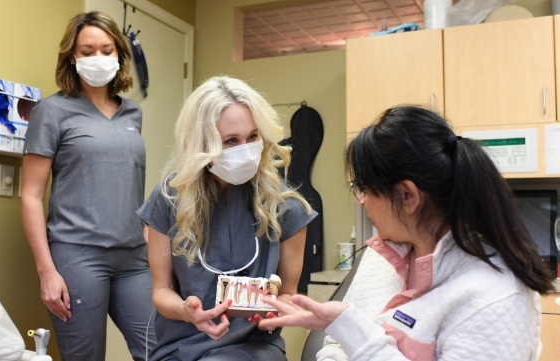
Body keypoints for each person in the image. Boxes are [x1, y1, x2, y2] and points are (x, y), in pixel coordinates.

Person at [260, 105, 556, 360]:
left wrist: (350, 326)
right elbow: (336, 346)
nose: (362, 202)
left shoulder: (495, 298)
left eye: (364, 189)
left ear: (408, 196)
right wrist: (342, 329)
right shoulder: (383, 256)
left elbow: (354, 334)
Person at [136, 76, 318, 361]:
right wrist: (187, 311)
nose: (245, 151)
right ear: (202, 144)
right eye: (231, 141)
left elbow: (288, 294)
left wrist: (275, 312)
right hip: (181, 342)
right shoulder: (170, 199)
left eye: (253, 137)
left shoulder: (286, 208)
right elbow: (161, 291)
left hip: (252, 347)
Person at [20, 11, 156, 361]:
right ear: (73, 57)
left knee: (162, 350)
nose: (99, 58)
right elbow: (32, 195)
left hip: (133, 258)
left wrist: (144, 235)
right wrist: (46, 271)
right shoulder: (51, 111)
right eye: (88, 50)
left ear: (119, 55)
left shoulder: (132, 113)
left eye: (107, 49)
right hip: (77, 256)